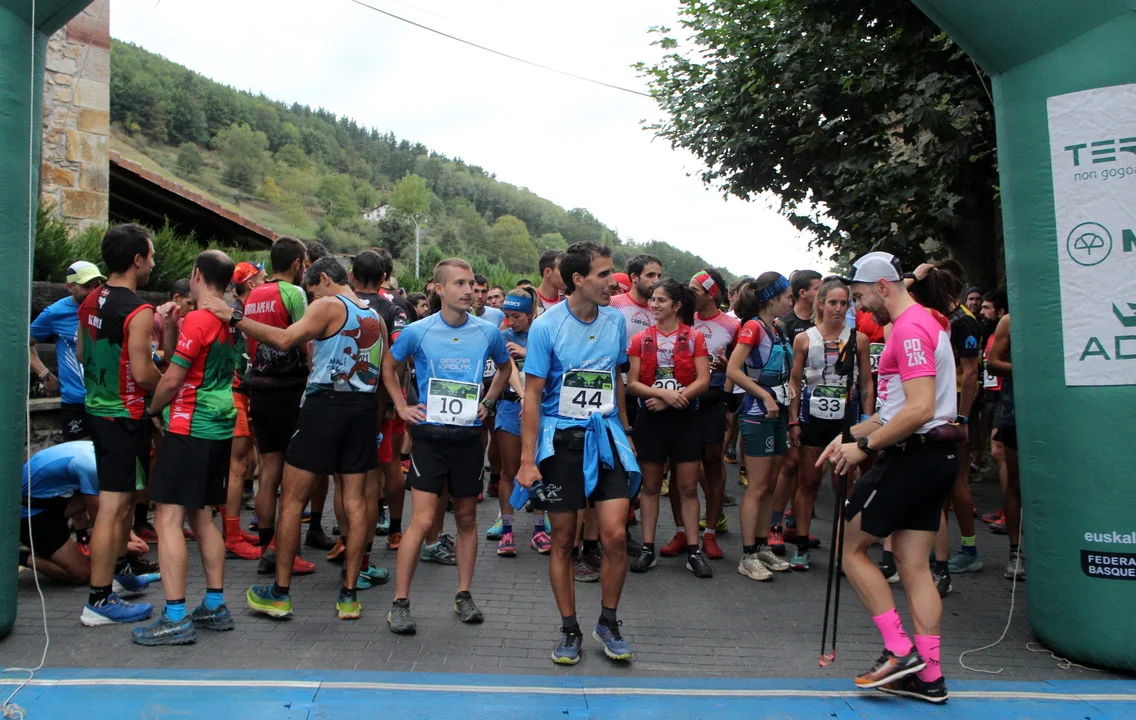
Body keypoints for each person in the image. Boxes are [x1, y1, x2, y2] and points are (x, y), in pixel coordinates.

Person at [202, 256, 387, 621]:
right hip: (363, 408)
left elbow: (285, 339)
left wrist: (234, 317)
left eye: (312, 290)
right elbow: (384, 373)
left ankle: (280, 594)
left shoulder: (328, 305)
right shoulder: (374, 316)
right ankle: (349, 596)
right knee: (356, 501)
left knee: (292, 499)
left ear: (324, 279)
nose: (312, 297)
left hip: (324, 406)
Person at [819, 251, 958, 703]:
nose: (858, 308)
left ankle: (899, 651)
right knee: (914, 566)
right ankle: (930, 676)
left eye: (860, 297)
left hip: (912, 456)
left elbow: (919, 409)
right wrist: (851, 435)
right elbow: (896, 410)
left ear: (882, 287)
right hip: (936, 455)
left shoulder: (910, 327)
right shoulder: (919, 323)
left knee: (849, 547)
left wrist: (863, 447)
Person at [516, 241, 640, 665]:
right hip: (560, 442)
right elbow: (532, 395)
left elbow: (615, 379)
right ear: (578, 279)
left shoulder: (615, 321)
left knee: (616, 535)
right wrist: (527, 459)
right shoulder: (546, 326)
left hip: (605, 438)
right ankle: (569, 629)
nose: (613, 282)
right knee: (564, 540)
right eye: (604, 274)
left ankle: (608, 621)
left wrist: (626, 430)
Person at [381, 258, 511, 635]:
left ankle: (464, 594)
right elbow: (388, 367)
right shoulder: (418, 331)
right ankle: (399, 603)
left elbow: (504, 368)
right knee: (422, 522)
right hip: (430, 439)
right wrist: (402, 407)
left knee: (467, 519)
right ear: (439, 289)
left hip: (468, 438)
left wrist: (489, 401)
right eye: (460, 284)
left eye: (471, 284)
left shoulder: (488, 332)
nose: (469, 290)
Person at [132, 250, 239, 646]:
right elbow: (197, 363)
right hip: (218, 425)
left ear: (196, 274)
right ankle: (214, 605)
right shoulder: (227, 319)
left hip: (190, 425)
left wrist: (151, 409)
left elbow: (173, 378)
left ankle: (175, 616)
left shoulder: (200, 318)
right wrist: (175, 328)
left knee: (167, 518)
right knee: (202, 515)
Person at [78, 223, 167, 626]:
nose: (153, 263)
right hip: (124, 416)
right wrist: (172, 385)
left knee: (126, 500)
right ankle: (98, 600)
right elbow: (144, 373)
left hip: (98, 409)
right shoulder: (138, 309)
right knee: (113, 508)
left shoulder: (90, 298)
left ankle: (119, 571)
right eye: (150, 256)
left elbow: (82, 351)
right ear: (136, 260)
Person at [785, 279, 874, 570]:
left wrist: (867, 420)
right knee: (808, 482)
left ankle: (842, 550)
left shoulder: (859, 339)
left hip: (846, 421)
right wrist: (793, 420)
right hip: (812, 419)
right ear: (821, 304)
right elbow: (794, 382)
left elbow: (866, 383)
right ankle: (801, 545)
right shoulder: (804, 339)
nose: (838, 308)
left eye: (843, 303)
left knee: (844, 486)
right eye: (832, 302)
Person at [241, 236, 316, 576]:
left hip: (259, 387)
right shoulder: (294, 293)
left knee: (268, 469)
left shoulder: (254, 293)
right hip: (289, 389)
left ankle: (265, 547)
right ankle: (283, 551)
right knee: (294, 473)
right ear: (298, 263)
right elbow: (304, 341)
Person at [627, 279, 712, 577]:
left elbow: (703, 379)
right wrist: (662, 395)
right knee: (650, 486)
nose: (654, 304)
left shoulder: (694, 337)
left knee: (687, 486)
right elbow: (632, 383)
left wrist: (675, 399)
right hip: (650, 418)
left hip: (685, 418)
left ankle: (694, 550)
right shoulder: (640, 339)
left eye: (661, 300)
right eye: (653, 299)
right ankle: (647, 549)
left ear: (677, 306)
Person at [910, 262, 982, 581]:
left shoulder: (963, 321)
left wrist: (962, 418)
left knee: (957, 482)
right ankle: (938, 545)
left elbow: (972, 373)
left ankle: (970, 549)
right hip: (942, 404)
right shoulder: (938, 317)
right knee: (939, 481)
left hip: (959, 407)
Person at [665, 268, 739, 562]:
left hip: (711, 401)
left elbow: (739, 366)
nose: (688, 293)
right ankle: (681, 531)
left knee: (712, 464)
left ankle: (710, 531)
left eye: (694, 290)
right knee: (677, 467)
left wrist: (727, 370)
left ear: (711, 294)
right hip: (681, 400)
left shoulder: (731, 324)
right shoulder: (684, 317)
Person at [726, 273, 795, 581]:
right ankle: (748, 554)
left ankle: (763, 545)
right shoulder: (753, 327)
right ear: (772, 298)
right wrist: (764, 395)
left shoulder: (777, 328)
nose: (791, 301)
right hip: (757, 413)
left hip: (778, 412)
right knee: (757, 486)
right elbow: (733, 369)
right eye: (787, 296)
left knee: (770, 484)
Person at [347, 250, 407, 582]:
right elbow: (400, 354)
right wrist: (396, 396)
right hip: (382, 403)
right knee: (383, 470)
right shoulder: (394, 308)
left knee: (346, 481)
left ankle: (348, 545)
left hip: (340, 403)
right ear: (384, 278)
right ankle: (392, 532)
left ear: (351, 275)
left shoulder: (337, 304)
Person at [486, 286, 550, 556]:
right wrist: (524, 398)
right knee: (509, 471)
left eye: (516, 317)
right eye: (507, 316)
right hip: (511, 407)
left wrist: (526, 353)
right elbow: (508, 368)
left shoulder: (542, 333)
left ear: (530, 314)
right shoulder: (503, 336)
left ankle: (539, 529)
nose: (510, 322)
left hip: (542, 409)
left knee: (539, 470)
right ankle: (507, 530)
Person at [768, 269, 822, 555]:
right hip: (790, 403)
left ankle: (797, 523)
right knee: (789, 465)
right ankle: (774, 525)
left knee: (810, 470)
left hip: (818, 406)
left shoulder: (821, 324)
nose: (822, 294)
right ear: (804, 292)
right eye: (818, 288)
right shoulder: (785, 324)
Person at [30, 260, 104, 441]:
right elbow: (25, 343)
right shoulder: (55, 313)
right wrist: (44, 374)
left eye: (97, 286)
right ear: (70, 287)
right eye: (86, 286)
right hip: (75, 402)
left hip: (107, 400)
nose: (93, 292)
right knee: (78, 454)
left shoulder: (107, 309)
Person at [222, 262, 266, 561]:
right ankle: (231, 535)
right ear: (250, 284)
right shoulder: (237, 314)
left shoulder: (240, 311)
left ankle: (233, 529)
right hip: (234, 391)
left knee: (241, 463)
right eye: (263, 278)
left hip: (242, 391)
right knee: (236, 467)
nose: (266, 282)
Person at [19, 441, 100, 585]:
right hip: (30, 512)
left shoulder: (97, 449)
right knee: (83, 573)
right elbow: (100, 521)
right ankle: (21, 557)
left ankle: (54, 548)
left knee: (96, 495)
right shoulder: (90, 465)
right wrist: (122, 547)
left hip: (50, 500)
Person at [986, 312, 1023, 580]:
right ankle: (1016, 552)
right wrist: (1028, 368)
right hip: (1015, 407)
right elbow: (993, 363)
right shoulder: (1011, 320)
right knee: (1015, 481)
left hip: (1057, 406)